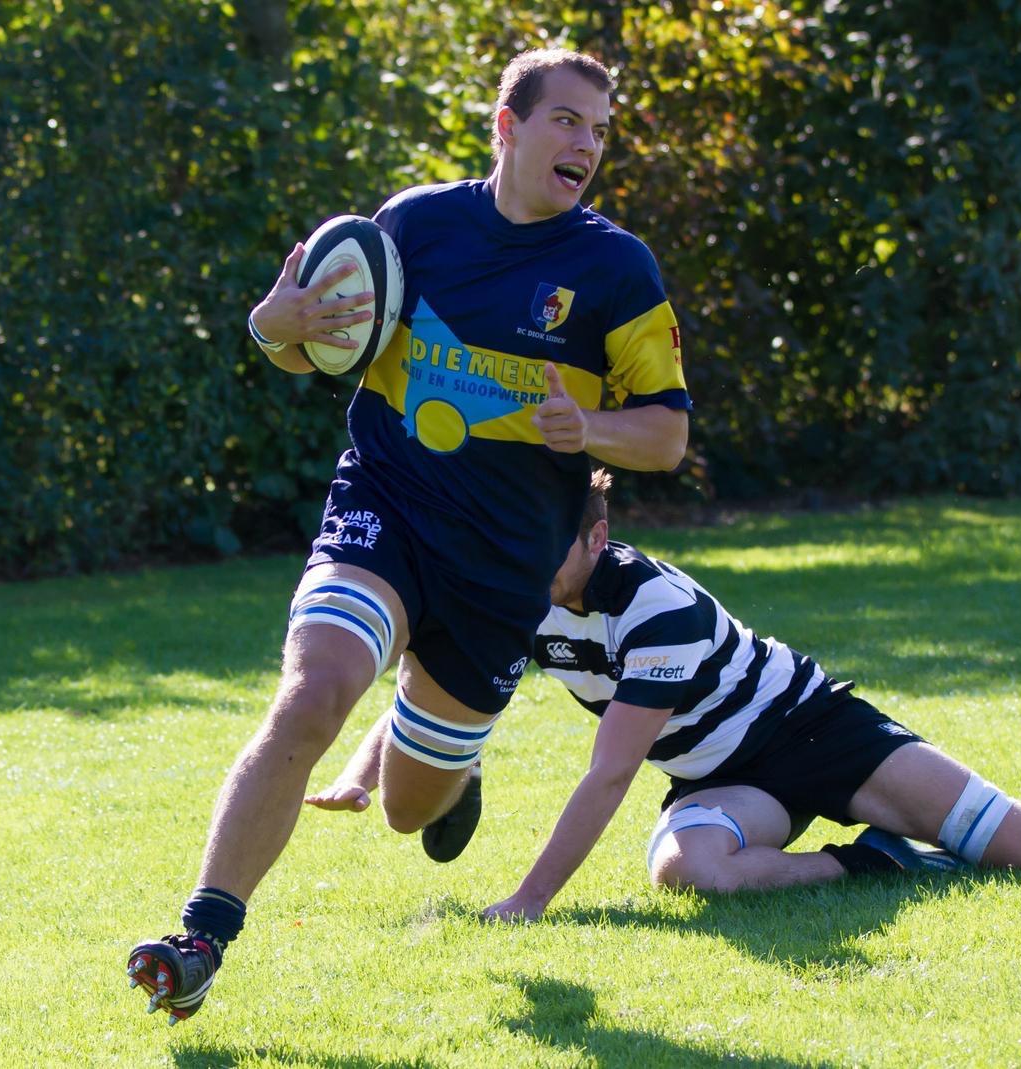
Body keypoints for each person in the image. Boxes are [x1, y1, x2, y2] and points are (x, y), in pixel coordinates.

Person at [126, 49, 690, 1022]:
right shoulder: (414, 225)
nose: (588, 144)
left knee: (405, 809)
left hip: (502, 569)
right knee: (313, 695)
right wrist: (273, 323)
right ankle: (200, 938)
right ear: (507, 126)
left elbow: (667, 436)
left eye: (600, 129)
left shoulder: (614, 268)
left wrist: (588, 429)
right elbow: (310, 347)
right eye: (567, 120)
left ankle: (451, 772)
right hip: (383, 510)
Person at [307, 470, 1021, 923]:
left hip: (816, 731)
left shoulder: (655, 609)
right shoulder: (517, 593)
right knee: (688, 871)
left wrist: (530, 899)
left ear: (598, 534)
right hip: (722, 780)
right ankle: (885, 864)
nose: (528, 560)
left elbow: (611, 771)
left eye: (549, 542)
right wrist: (360, 770)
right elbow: (440, 687)